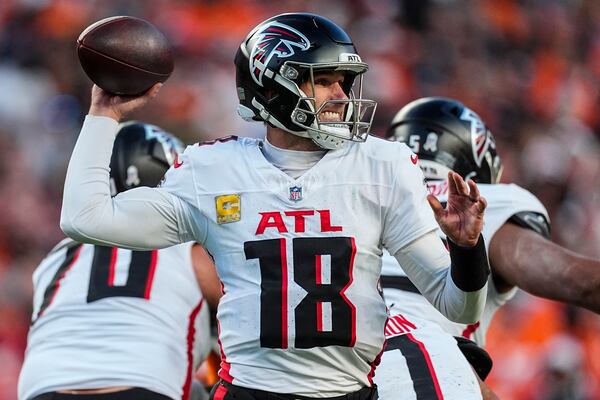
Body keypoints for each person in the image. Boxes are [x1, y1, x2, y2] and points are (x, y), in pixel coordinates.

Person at [60, 13, 492, 400]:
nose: (341, 95)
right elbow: (85, 218)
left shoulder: (383, 165)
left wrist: (468, 249)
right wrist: (104, 115)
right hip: (250, 390)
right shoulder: (213, 170)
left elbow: (459, 307)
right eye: (325, 80)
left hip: (350, 394)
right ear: (274, 84)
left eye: (344, 81)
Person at [375, 96, 600, 399]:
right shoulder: (480, 203)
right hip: (421, 363)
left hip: (331, 368)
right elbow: (582, 283)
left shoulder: (359, 198)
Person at [18, 122, 212, 400]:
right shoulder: (188, 247)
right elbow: (247, 307)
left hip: (44, 387)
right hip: (141, 384)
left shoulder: (56, 256)